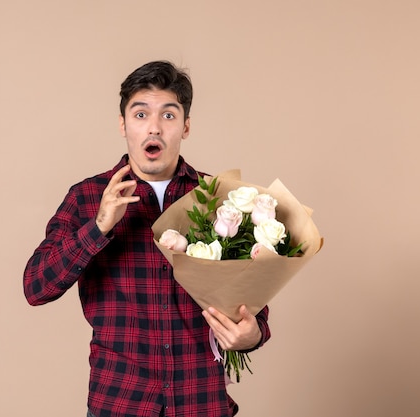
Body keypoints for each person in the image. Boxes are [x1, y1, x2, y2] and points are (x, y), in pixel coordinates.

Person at [23, 60, 271, 417]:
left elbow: (253, 297)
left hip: (201, 404)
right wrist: (98, 227)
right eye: (140, 115)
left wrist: (254, 335)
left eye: (168, 116)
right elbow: (36, 287)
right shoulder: (88, 197)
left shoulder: (218, 198)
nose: (154, 127)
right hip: (121, 404)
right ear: (123, 124)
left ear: (185, 126)